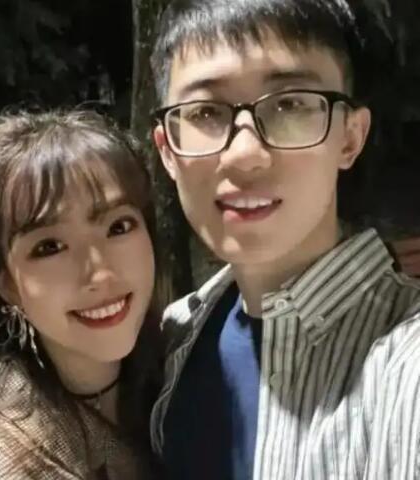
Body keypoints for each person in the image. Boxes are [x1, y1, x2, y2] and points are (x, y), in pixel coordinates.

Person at [149, 1, 420, 479]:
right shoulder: (171, 342)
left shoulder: (406, 363)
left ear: (350, 137)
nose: (244, 154)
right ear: (168, 151)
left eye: (290, 104)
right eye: (206, 111)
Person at [0, 110, 164, 479]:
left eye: (119, 226)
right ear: (6, 283)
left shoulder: (188, 362)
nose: (100, 273)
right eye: (50, 247)